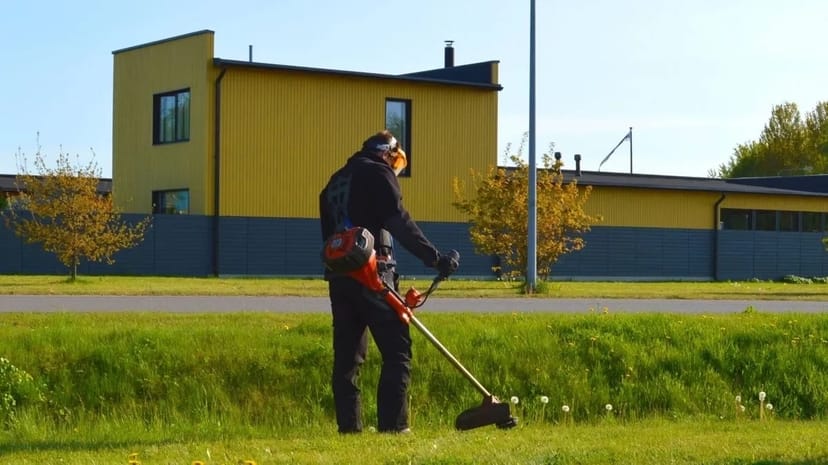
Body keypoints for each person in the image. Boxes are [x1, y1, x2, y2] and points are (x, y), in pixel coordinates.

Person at [319, 129, 459, 434]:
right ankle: (394, 428)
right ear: (390, 154)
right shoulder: (378, 173)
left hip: (339, 278)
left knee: (348, 357)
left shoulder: (333, 183)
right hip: (372, 274)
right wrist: (434, 258)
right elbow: (399, 222)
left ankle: (349, 428)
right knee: (397, 350)